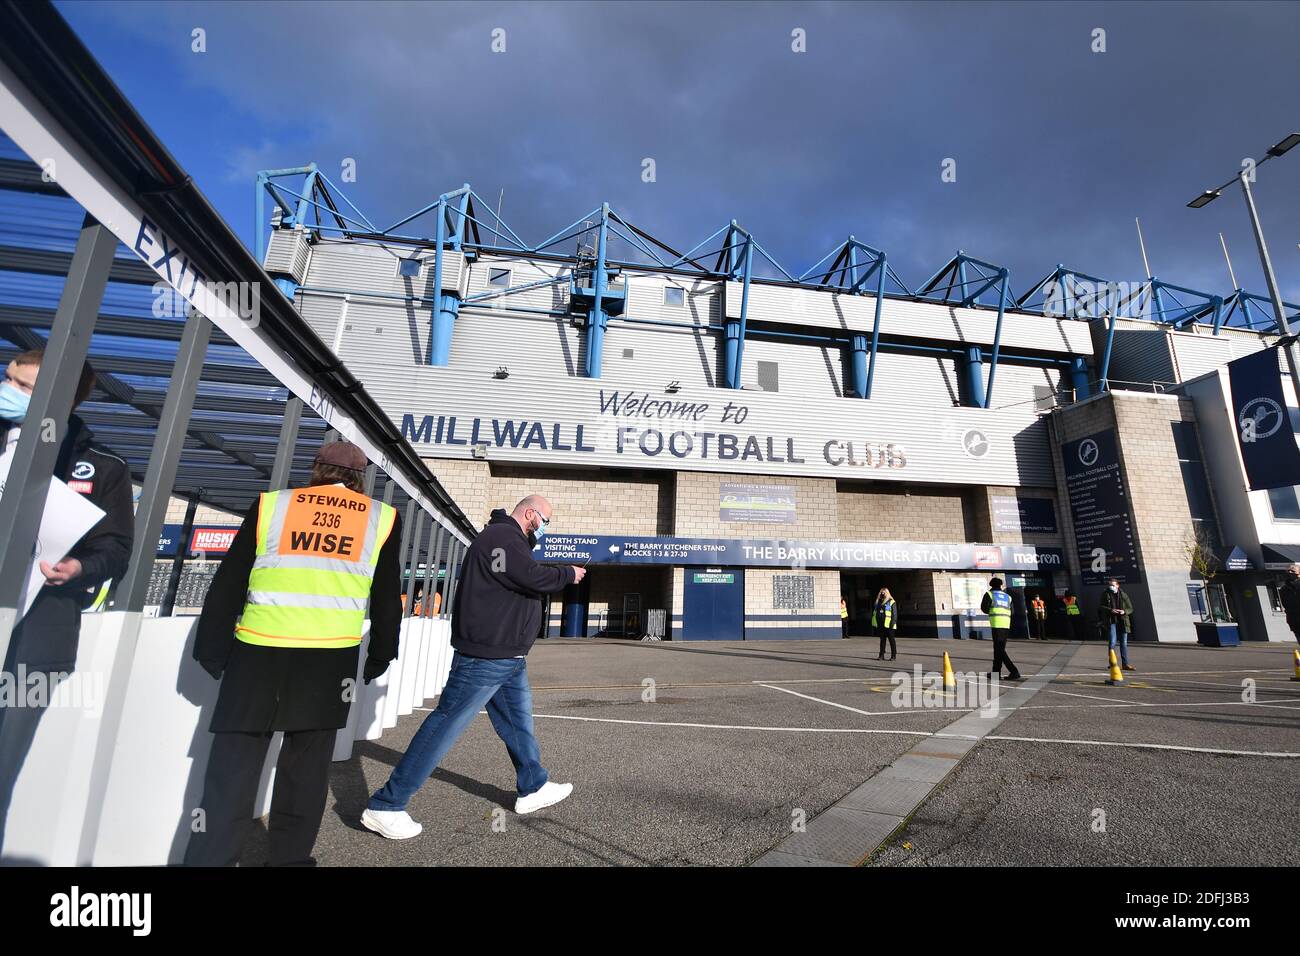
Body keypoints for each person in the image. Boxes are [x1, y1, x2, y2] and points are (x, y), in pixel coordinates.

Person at [183, 441, 403, 867]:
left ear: (316, 468)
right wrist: (381, 654)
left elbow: (230, 579)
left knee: (232, 768)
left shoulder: (272, 506)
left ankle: (210, 858)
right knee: (305, 771)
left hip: (257, 651)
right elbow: (386, 598)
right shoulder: (381, 518)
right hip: (328, 659)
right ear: (359, 479)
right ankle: (288, 860)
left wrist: (211, 648)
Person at [362, 495, 585, 839]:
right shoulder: (502, 538)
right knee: (445, 725)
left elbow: (518, 580)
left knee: (518, 723)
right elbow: (529, 577)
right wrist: (567, 573)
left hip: (507, 657)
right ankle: (387, 804)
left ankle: (533, 786)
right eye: (546, 520)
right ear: (530, 514)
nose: (546, 527)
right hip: (487, 657)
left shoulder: (510, 540)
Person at [0, 350, 133, 855]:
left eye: (23, 385)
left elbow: (116, 549)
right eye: (7, 377)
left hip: (39, 638)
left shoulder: (102, 468)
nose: (7, 388)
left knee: (2, 771)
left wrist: (78, 568)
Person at [980, 577, 1022, 680]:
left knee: (999, 649)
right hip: (1006, 624)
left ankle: (1013, 671)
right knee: (999, 649)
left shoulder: (989, 594)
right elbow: (1012, 611)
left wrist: (992, 611)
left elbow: (984, 609)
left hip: (996, 624)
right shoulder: (1008, 597)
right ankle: (997, 673)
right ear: (1001, 585)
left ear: (991, 585)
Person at [1098, 577, 1135, 671]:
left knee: (1124, 643)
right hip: (1112, 621)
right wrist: (1111, 610)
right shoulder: (1105, 594)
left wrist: (1124, 611)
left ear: (1118, 585)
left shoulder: (1123, 595)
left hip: (1123, 621)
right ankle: (1112, 664)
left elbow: (1130, 608)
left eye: (1113, 585)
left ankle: (1125, 664)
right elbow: (1101, 606)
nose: (1111, 587)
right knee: (1112, 643)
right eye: (1110, 585)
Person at [873, 588, 898, 661]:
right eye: (881, 593)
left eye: (884, 593)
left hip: (889, 625)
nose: (882, 594)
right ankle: (881, 655)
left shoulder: (891, 602)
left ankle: (893, 656)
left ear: (887, 593)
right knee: (882, 640)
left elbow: (894, 614)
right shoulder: (878, 602)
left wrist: (892, 623)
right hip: (881, 624)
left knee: (891, 640)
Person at [1278, 564, 1300, 644]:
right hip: (1294, 619)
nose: (1290, 572)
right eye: (1288, 571)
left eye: (1293, 571)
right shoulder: (1284, 589)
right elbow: (1285, 603)